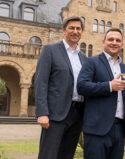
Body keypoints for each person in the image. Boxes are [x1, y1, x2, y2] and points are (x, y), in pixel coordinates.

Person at [77, 28, 125, 159]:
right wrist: (110, 86)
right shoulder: (91, 62)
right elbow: (81, 87)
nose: (114, 42)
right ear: (103, 42)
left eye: (118, 40)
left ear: (122, 44)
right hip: (96, 129)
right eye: (111, 39)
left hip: (119, 129)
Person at [34, 16, 87, 159]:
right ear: (64, 30)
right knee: (48, 155)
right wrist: (42, 112)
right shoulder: (50, 50)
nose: (75, 31)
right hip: (55, 115)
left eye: (78, 28)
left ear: (82, 32)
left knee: (67, 155)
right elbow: (41, 82)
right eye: (72, 28)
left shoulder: (83, 57)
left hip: (77, 114)